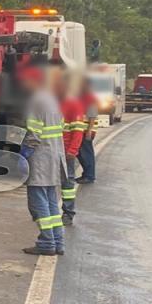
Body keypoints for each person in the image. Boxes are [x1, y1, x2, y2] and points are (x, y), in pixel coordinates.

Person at [17, 63, 67, 256]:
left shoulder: (35, 101)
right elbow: (60, 127)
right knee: (52, 203)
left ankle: (46, 243)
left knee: (38, 204)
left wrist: (23, 155)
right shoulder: (53, 100)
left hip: (40, 159)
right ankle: (58, 242)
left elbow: (34, 135)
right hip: (54, 157)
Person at [59, 80, 87, 223]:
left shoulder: (74, 105)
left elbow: (78, 131)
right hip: (53, 151)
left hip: (66, 152)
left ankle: (68, 213)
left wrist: (72, 151)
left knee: (67, 183)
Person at [75, 80, 99, 183]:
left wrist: (89, 130)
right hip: (82, 130)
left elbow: (92, 116)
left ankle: (89, 176)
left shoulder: (90, 98)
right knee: (80, 153)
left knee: (86, 153)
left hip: (87, 130)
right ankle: (86, 174)